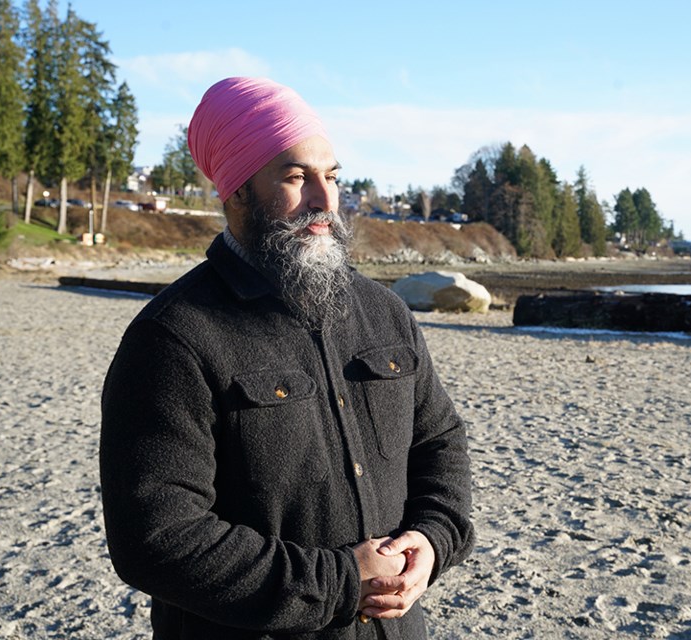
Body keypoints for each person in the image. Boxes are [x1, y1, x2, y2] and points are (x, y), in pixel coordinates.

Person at [99, 76, 474, 639]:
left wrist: (433, 538)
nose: (324, 200)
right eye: (296, 177)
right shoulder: (172, 338)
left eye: (333, 176)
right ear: (237, 193)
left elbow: (439, 441)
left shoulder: (385, 312)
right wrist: (342, 580)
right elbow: (156, 538)